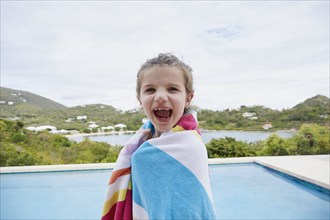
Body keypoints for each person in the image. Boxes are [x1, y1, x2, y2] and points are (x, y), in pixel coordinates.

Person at [101, 53, 216, 220]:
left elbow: (193, 208)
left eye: (172, 89)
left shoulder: (191, 147)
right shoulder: (140, 143)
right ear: (139, 99)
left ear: (188, 97)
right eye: (150, 90)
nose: (161, 97)